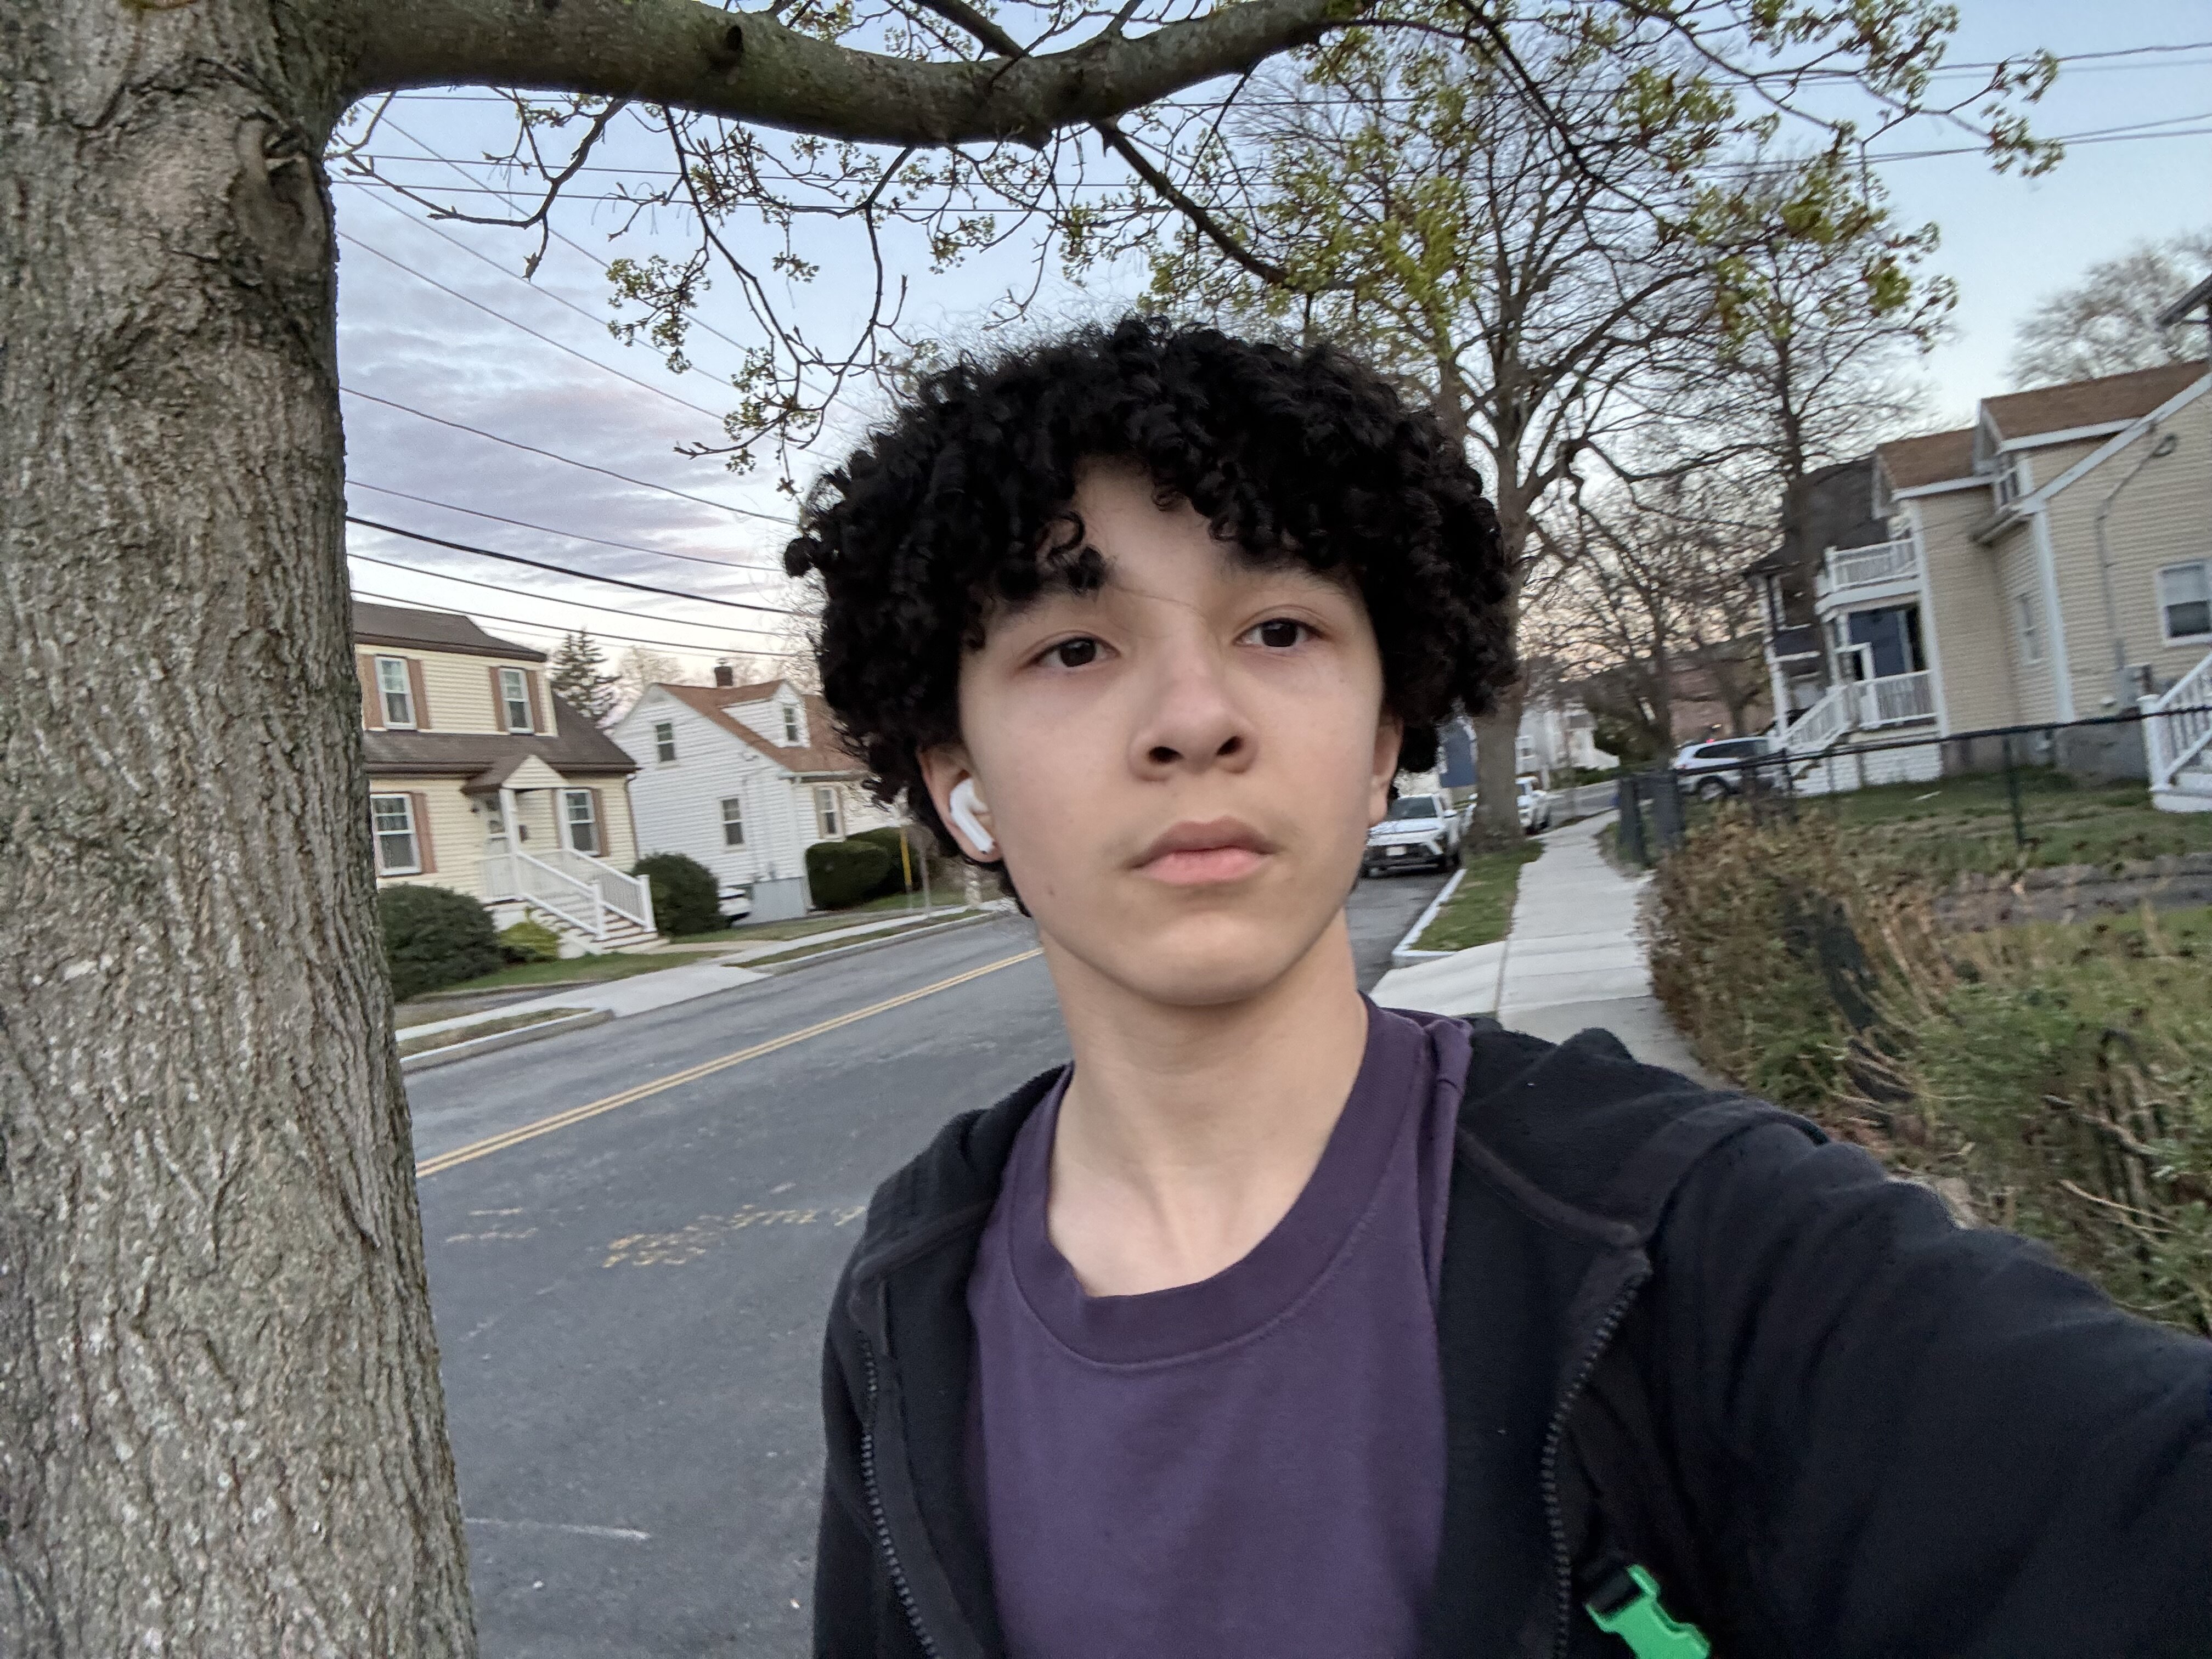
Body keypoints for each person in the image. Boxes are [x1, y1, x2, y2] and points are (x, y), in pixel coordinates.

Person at [788, 318, 2210, 1659]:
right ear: (959, 781)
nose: (1195, 719)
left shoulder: (1689, 1235)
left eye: (1279, 629)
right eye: (1073, 648)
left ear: (1382, 738)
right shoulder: (913, 1288)